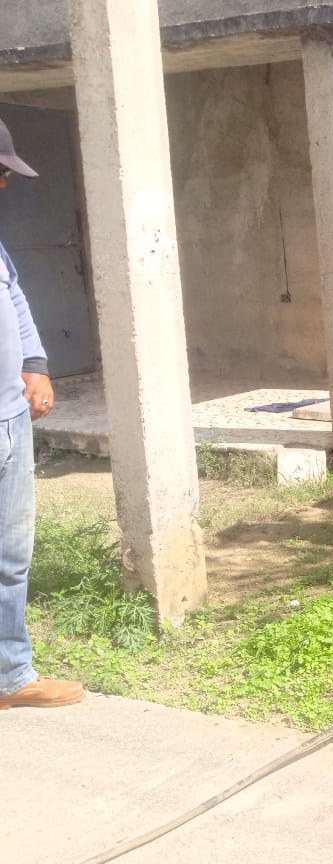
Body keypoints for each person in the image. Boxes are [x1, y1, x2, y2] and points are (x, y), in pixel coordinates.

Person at [0, 115, 84, 709]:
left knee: (10, 556)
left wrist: (35, 364)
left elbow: (16, 296)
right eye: (0, 171)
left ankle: (10, 675)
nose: (5, 183)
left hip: (9, 418)